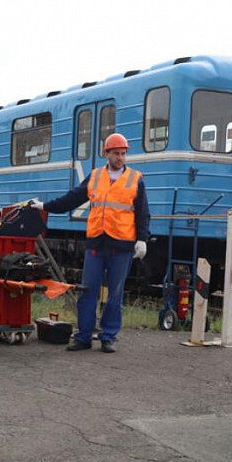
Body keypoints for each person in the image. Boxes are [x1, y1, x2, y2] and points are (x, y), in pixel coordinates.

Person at [32, 133, 150, 353]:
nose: (120, 157)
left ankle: (108, 337)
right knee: (88, 290)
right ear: (106, 153)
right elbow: (72, 198)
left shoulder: (136, 179)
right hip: (96, 243)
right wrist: (45, 206)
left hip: (122, 245)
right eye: (116, 153)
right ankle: (83, 337)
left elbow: (143, 213)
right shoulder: (95, 177)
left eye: (123, 153)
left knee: (115, 293)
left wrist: (142, 239)